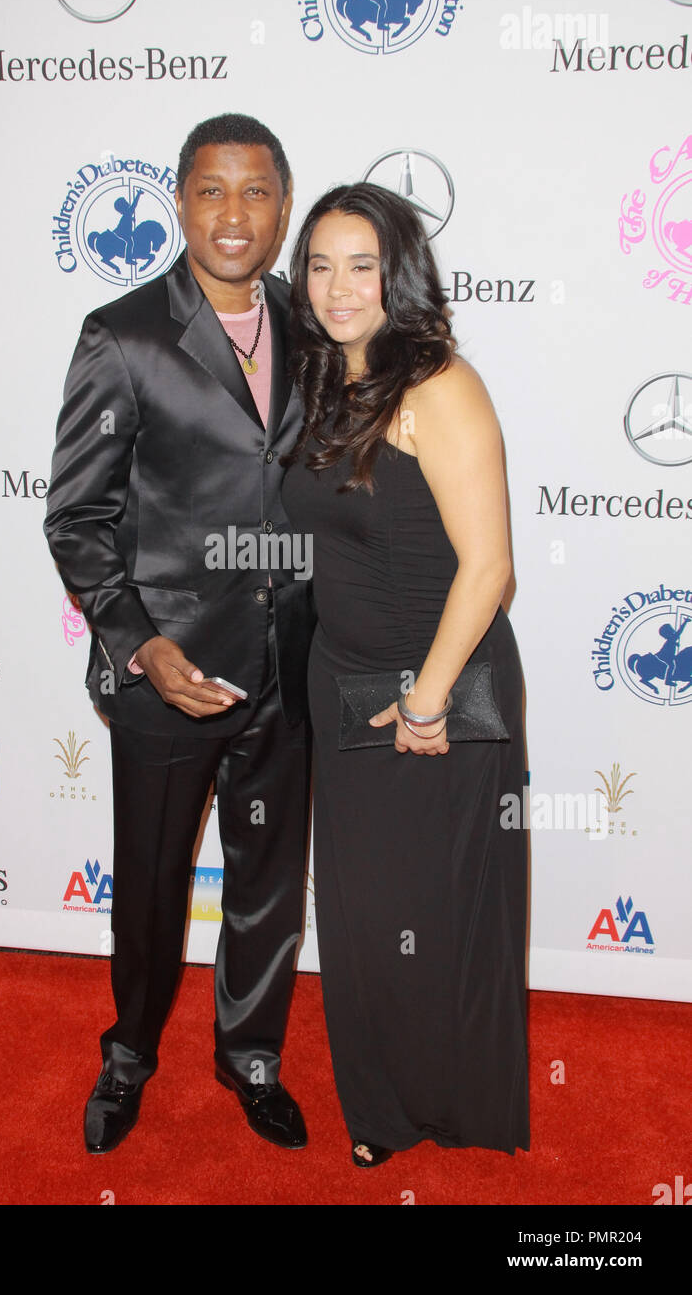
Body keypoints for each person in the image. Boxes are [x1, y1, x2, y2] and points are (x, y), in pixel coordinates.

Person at [44, 114, 314, 1155]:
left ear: (283, 206)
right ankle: (129, 1053)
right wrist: (142, 645)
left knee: (264, 880)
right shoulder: (123, 334)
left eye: (255, 192)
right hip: (165, 670)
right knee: (150, 884)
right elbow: (75, 516)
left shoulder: (316, 322)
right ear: (177, 200)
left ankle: (251, 1055)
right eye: (211, 191)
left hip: (287, 663)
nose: (234, 215)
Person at [281, 183, 529, 1166]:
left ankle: (454, 1103)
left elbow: (489, 567)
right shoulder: (320, 380)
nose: (338, 288)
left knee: (443, 909)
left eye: (361, 265)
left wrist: (422, 698)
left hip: (437, 688)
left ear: (400, 272)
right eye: (319, 264)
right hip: (338, 680)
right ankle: (381, 1112)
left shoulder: (438, 385)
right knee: (360, 914)